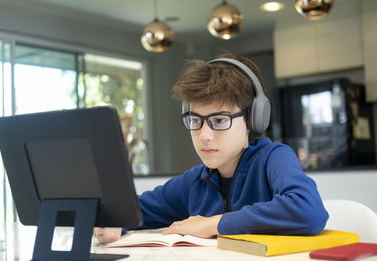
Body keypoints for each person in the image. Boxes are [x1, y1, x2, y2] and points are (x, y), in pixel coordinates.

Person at [95, 52, 329, 244]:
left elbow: (308, 211)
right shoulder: (196, 181)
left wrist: (212, 224)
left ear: (252, 120)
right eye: (195, 120)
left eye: (219, 120)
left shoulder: (273, 158)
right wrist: (113, 221)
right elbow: (134, 210)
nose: (204, 136)